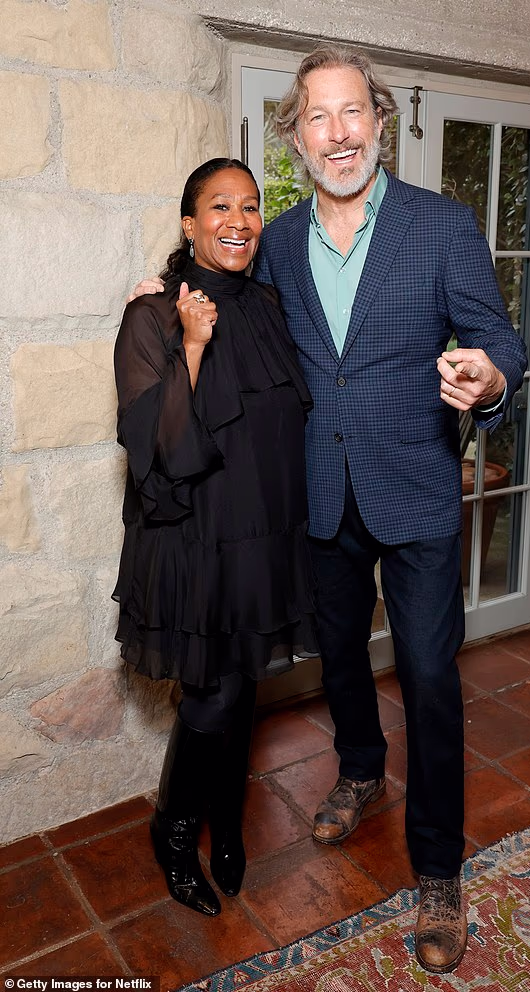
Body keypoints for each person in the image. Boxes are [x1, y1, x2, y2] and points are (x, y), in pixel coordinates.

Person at [128, 47, 527, 974]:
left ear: (380, 124)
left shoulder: (443, 226)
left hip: (418, 488)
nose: (338, 133)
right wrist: (156, 292)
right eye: (318, 118)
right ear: (296, 137)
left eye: (354, 114)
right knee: (341, 656)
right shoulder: (283, 243)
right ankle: (356, 770)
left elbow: (498, 333)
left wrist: (490, 372)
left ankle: (437, 870)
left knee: (429, 678)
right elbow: (221, 291)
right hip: (318, 495)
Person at [113, 157, 316, 918]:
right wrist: (192, 345)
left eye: (251, 206)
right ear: (189, 223)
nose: (239, 219)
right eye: (219, 206)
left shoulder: (267, 304)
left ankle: (226, 825)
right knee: (210, 697)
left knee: (243, 692)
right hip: (196, 538)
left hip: (261, 533)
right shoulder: (151, 316)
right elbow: (159, 447)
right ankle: (173, 832)